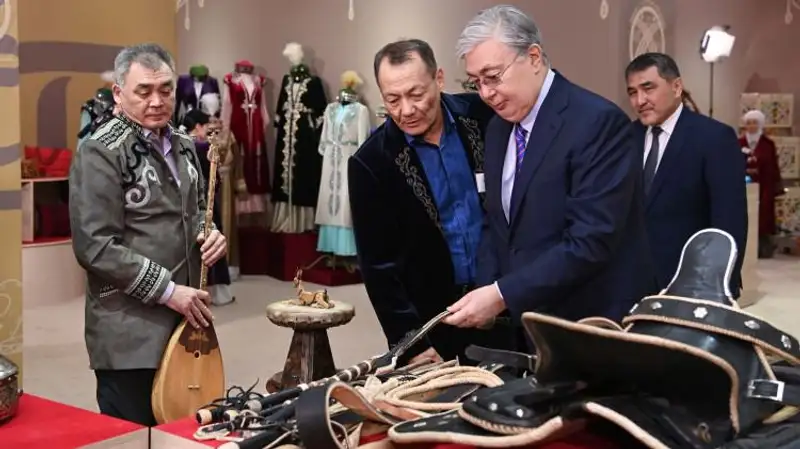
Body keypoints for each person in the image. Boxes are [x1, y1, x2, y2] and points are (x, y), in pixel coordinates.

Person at [445, 5, 655, 333]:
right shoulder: (499, 128)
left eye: (493, 77)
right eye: (477, 83)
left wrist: (501, 294)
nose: (486, 93)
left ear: (533, 57)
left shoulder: (597, 123)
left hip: (591, 321)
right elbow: (496, 222)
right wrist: (488, 292)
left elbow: (590, 241)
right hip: (527, 321)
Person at [69, 43, 227, 426]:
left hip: (186, 322)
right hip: (128, 330)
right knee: (135, 435)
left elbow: (194, 212)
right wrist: (169, 291)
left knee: (184, 431)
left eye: (165, 89)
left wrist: (211, 233)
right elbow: (95, 245)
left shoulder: (185, 144)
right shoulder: (100, 151)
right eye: (144, 91)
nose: (157, 101)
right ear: (118, 93)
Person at [348, 39, 516, 364]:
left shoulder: (483, 116)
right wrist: (409, 342)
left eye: (416, 94)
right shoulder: (371, 163)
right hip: (438, 321)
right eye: (392, 99)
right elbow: (378, 267)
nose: (406, 110)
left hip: (505, 298)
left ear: (439, 79)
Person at [625, 52, 747, 295]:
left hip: (693, 283)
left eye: (648, 88)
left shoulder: (714, 138)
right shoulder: (626, 136)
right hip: (632, 283)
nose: (640, 101)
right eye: (632, 92)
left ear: (676, 87)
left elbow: (729, 221)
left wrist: (720, 285)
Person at [181, 109, 236, 304]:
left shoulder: (176, 144)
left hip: (183, 205)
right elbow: (214, 180)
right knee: (211, 243)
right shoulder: (203, 147)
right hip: (204, 201)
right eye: (205, 126)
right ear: (198, 127)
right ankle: (216, 293)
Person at [740, 109, 784, 258]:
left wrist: (776, 186)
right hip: (744, 185)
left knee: (763, 216)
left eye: (754, 123)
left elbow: (773, 165)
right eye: (749, 123)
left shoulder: (768, 144)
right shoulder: (739, 143)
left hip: (764, 185)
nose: (751, 126)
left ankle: (763, 248)